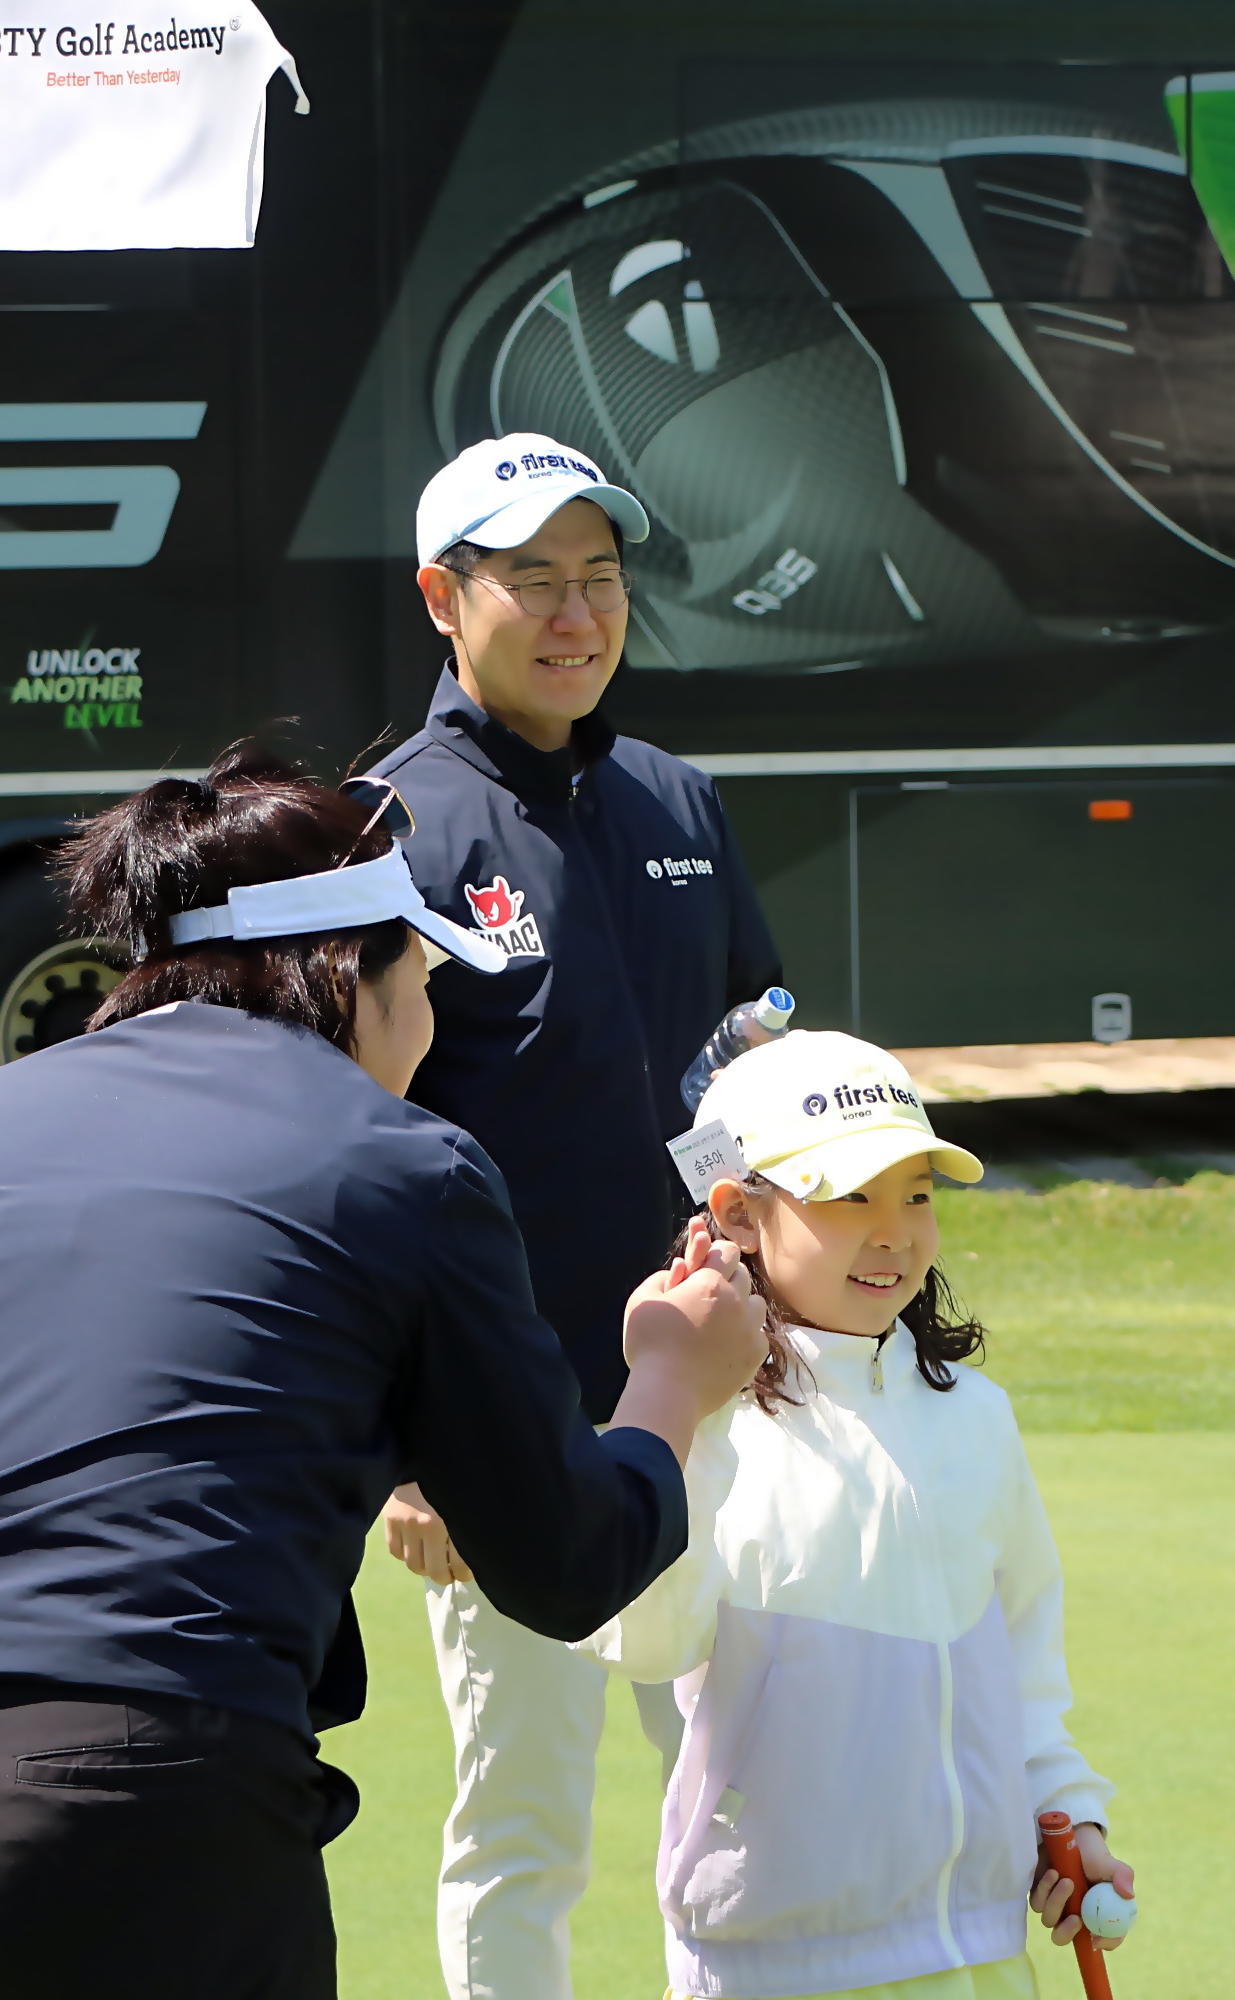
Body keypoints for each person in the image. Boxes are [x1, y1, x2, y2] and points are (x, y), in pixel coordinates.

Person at [0, 743, 771, 2000]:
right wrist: (670, 1377)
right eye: (426, 976)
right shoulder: (404, 1160)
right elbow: (571, 1560)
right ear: (355, 972)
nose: (429, 1025)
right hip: (131, 1775)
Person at [363, 432, 786, 2000]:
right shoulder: (386, 831)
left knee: (740, 1797)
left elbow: (754, 1049)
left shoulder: (678, 799)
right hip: (503, 1430)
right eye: (531, 578)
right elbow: (359, 1160)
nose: (575, 613)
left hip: (710, 1409)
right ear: (442, 597)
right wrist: (409, 1446)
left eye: (599, 576)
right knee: (525, 1833)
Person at [579, 1030, 1135, 2000]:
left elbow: (1024, 1664)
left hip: (980, 1948)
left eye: (916, 1194)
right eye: (848, 1196)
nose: (894, 1232)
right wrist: (677, 1405)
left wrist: (1065, 1811)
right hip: (773, 1964)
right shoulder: (708, 1426)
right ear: (737, 1213)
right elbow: (644, 1641)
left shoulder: (976, 1415)